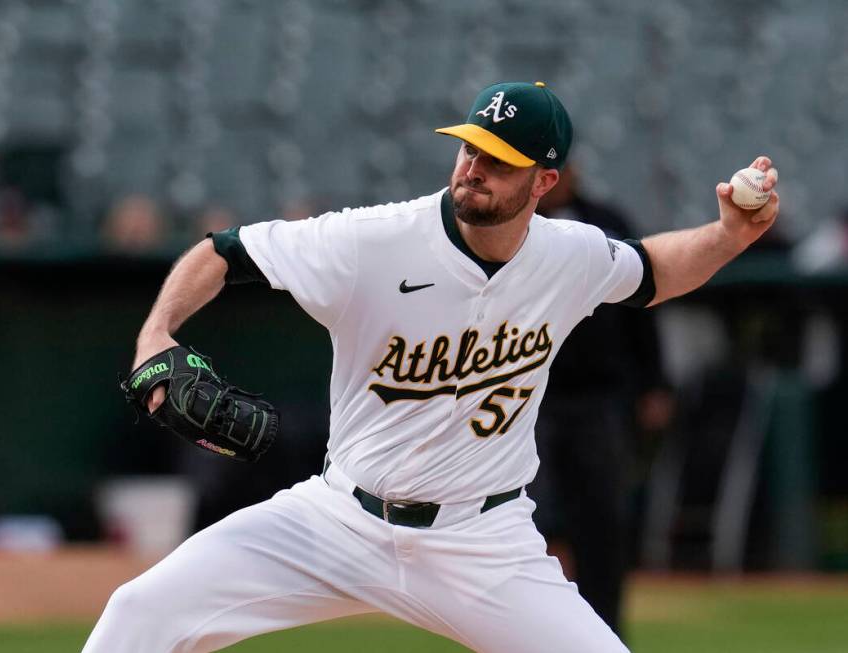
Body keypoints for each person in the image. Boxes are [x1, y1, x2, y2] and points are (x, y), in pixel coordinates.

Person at [83, 82, 779, 653]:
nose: (473, 168)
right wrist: (154, 334)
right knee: (139, 612)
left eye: (498, 159)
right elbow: (224, 252)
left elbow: (655, 269)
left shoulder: (570, 255)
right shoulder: (372, 241)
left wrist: (726, 236)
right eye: (469, 147)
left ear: (545, 180)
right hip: (339, 520)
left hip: (482, 542)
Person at [526, 164, 674, 634]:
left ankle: (605, 632)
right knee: (531, 521)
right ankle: (540, 632)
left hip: (600, 399)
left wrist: (655, 383)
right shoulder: (510, 230)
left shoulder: (605, 224)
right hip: (527, 400)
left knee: (603, 521)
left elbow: (644, 306)